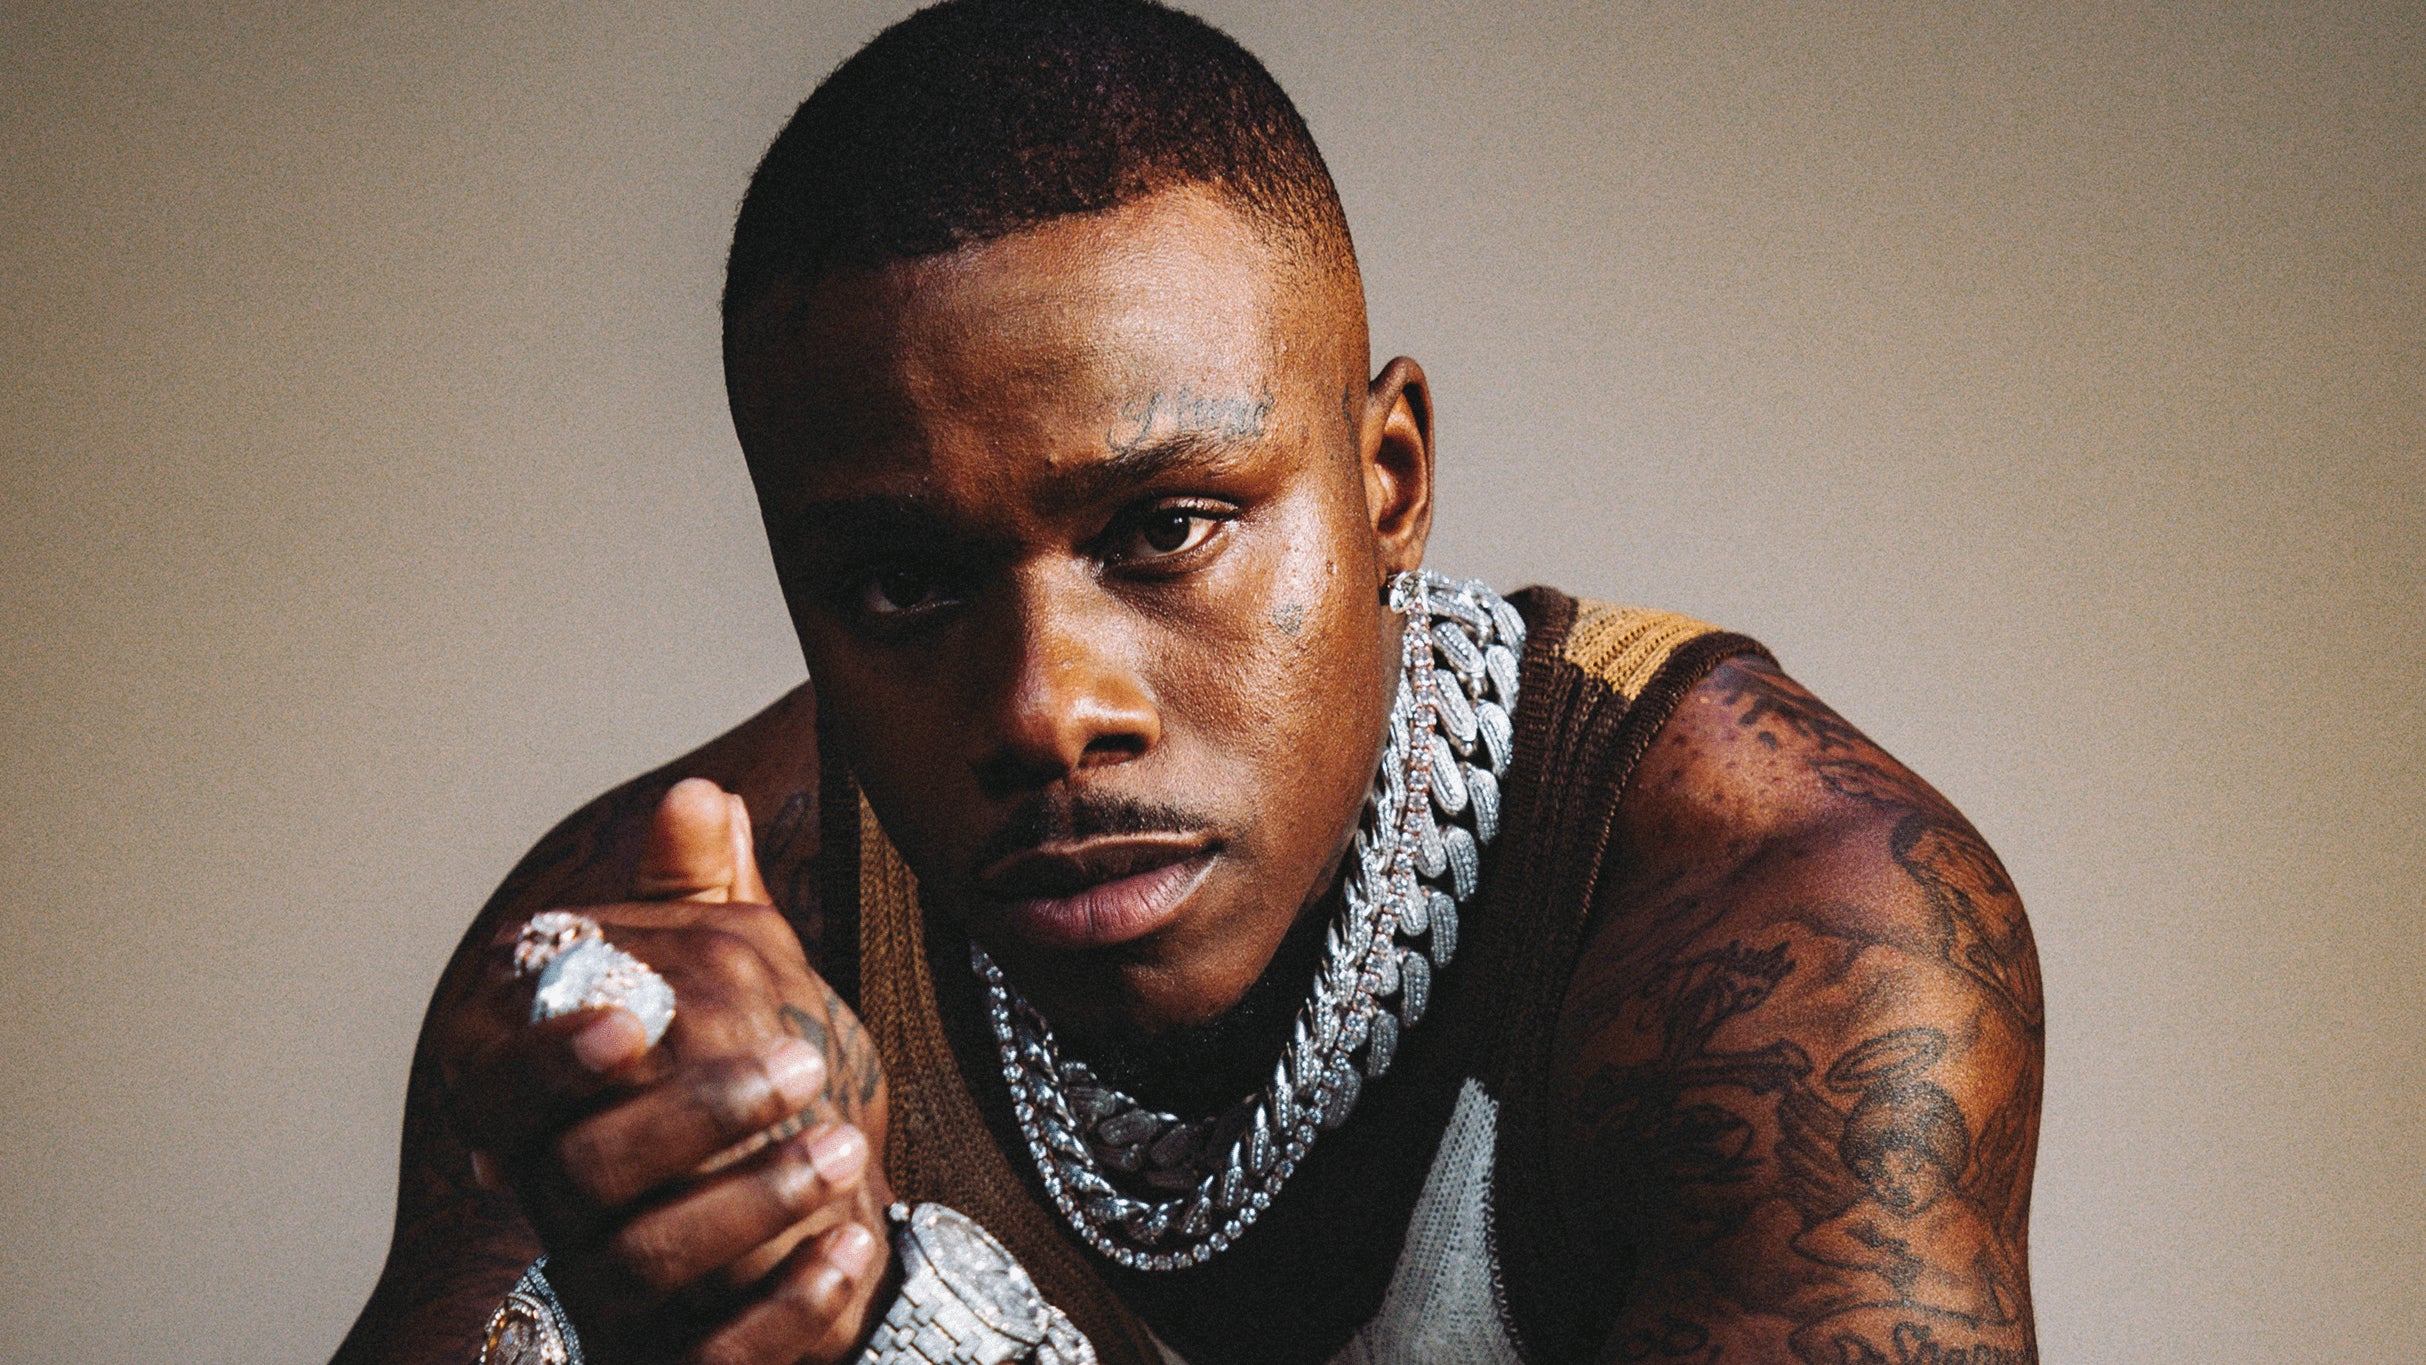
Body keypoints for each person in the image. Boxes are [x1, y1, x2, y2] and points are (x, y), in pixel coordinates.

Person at [332, 2, 2043, 1362]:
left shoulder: (1787, 932)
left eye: (1162, 530)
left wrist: (891, 1333)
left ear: (1386, 480)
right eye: (902, 584)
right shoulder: (668, 966)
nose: (1043, 710)